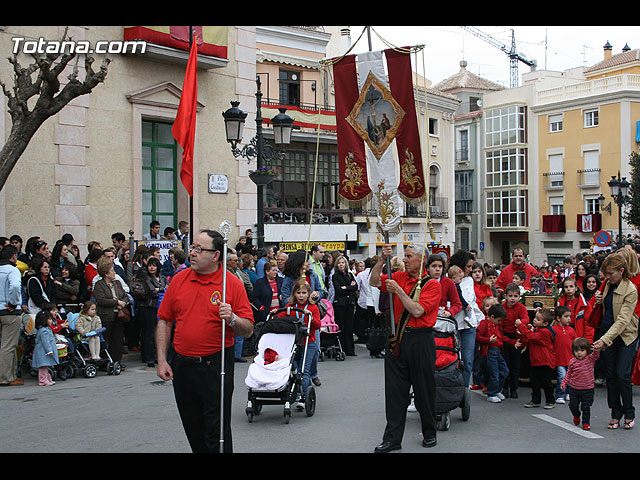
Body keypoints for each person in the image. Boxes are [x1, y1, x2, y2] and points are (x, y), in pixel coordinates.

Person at [156, 229, 254, 453]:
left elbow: (247, 330)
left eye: (199, 249)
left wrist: (232, 318)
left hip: (215, 364)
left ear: (216, 255)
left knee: (216, 430)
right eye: (192, 247)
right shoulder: (179, 280)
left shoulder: (232, 284)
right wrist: (162, 360)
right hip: (182, 364)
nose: (192, 253)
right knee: (192, 426)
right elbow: (164, 321)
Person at [369, 243, 441, 452]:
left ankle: (429, 432)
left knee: (424, 391)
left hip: (421, 340)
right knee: (394, 393)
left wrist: (398, 291)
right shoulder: (398, 275)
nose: (406, 259)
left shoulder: (432, 285)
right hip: (397, 340)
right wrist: (381, 260)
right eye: (405, 256)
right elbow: (374, 281)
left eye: (410, 256)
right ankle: (392, 439)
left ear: (422, 260)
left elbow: (417, 310)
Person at [588, 253, 639, 430]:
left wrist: (604, 340)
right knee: (611, 376)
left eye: (610, 273)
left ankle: (629, 413)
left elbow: (623, 321)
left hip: (625, 336)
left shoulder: (631, 289)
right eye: (606, 273)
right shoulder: (608, 284)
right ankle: (615, 413)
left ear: (621, 271)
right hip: (607, 332)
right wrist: (598, 301)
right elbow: (605, 310)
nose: (607, 276)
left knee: (622, 375)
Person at [278, 278, 321, 409]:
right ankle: (297, 391)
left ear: (308, 294)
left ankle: (304, 396)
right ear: (294, 294)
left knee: (304, 370)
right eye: (298, 293)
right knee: (294, 369)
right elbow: (281, 318)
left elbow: (318, 325)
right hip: (294, 342)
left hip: (309, 342)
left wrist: (310, 318)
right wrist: (276, 313)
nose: (301, 296)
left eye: (304, 293)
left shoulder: (313, 308)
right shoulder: (290, 307)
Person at [516, 308, 556, 409]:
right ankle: (535, 400)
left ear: (545, 323)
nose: (534, 320)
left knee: (546, 382)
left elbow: (531, 337)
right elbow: (529, 339)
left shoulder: (545, 332)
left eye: (538, 319)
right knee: (534, 382)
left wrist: (521, 326)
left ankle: (550, 400)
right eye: (535, 318)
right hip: (536, 361)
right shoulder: (538, 330)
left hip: (545, 361)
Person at [93, 258, 129, 367]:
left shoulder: (117, 283)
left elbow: (125, 296)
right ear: (106, 273)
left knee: (118, 340)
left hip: (119, 314)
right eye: (112, 271)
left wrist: (122, 303)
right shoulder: (99, 285)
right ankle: (106, 362)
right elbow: (101, 299)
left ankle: (117, 361)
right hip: (106, 315)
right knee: (107, 339)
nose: (114, 273)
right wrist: (115, 302)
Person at [560, 337, 600, 431]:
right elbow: (569, 374)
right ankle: (576, 415)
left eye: (582, 350)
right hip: (574, 388)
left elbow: (595, 355)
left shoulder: (590, 359)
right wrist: (564, 383)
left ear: (587, 351)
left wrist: (596, 349)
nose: (579, 353)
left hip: (588, 389)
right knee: (573, 406)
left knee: (586, 407)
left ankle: (586, 423)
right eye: (576, 351)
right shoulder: (572, 362)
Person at [0, 245, 24, 386]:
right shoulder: (12, 270)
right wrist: (13, 303)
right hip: (8, 311)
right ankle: (6, 377)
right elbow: (15, 286)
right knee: (9, 345)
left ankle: (10, 374)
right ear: (13, 256)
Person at [476, 303, 509, 403]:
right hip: (490, 351)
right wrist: (488, 340)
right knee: (494, 373)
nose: (499, 323)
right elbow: (477, 337)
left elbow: (502, 338)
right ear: (492, 317)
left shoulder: (496, 325)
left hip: (497, 351)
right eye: (498, 320)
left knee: (505, 371)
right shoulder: (483, 324)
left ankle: (496, 389)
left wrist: (512, 342)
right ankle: (492, 393)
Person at [501, 283, 529, 398]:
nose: (513, 298)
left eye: (515, 296)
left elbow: (526, 318)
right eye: (510, 296)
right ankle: (505, 387)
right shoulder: (502, 307)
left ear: (519, 297)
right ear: (506, 296)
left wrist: (520, 322)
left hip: (517, 336)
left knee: (516, 365)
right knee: (505, 365)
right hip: (505, 337)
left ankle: (514, 388)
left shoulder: (521, 308)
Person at [138, 257, 166, 367]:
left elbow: (168, 288)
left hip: (162, 307)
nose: (151, 267)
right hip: (151, 307)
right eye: (150, 265)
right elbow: (152, 292)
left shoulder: (162, 277)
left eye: (154, 265)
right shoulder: (147, 278)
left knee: (159, 333)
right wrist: (161, 289)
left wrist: (159, 289)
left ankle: (158, 356)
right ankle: (149, 357)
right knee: (149, 332)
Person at [331, 255, 358, 357]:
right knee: (341, 326)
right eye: (339, 263)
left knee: (349, 326)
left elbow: (355, 287)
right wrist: (349, 287)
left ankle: (350, 349)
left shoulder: (350, 275)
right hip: (340, 304)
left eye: (343, 262)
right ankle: (341, 348)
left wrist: (347, 287)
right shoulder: (335, 276)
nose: (341, 264)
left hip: (349, 303)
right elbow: (339, 289)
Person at [552, 305, 576, 404]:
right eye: (566, 316)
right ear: (558, 318)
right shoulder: (553, 330)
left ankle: (568, 393)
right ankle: (560, 395)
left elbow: (575, 343)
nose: (569, 319)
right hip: (559, 359)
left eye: (569, 316)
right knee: (562, 377)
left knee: (570, 377)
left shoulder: (571, 330)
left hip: (570, 359)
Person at [556, 277, 591, 342]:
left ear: (576, 288)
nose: (568, 289)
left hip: (578, 335)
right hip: (563, 335)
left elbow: (588, 323)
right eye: (566, 287)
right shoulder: (560, 302)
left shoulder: (584, 304)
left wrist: (588, 340)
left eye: (571, 286)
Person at [31, 310, 58, 386]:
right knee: (43, 366)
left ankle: (47, 378)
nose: (51, 321)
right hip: (44, 352)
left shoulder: (46, 329)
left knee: (45, 366)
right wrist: (49, 350)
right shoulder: (44, 331)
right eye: (49, 319)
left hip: (44, 351)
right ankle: (43, 380)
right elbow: (46, 342)